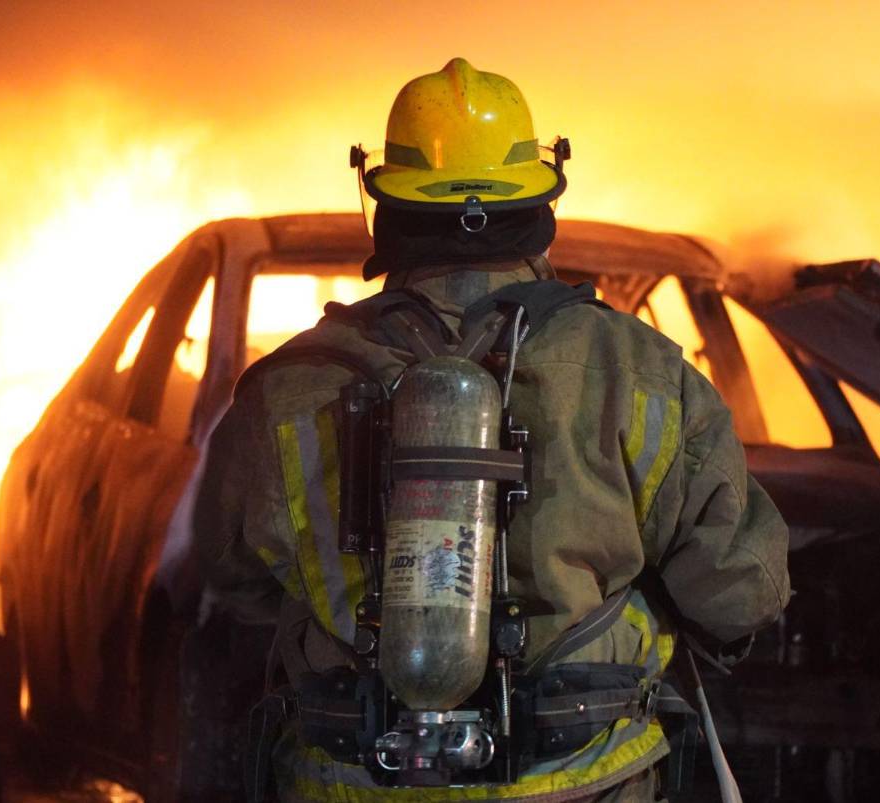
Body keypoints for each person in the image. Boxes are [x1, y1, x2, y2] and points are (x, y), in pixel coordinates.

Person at [194, 57, 790, 802]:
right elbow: (740, 591)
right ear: (541, 206)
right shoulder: (640, 372)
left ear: (385, 206)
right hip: (584, 784)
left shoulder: (284, 391)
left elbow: (229, 577)